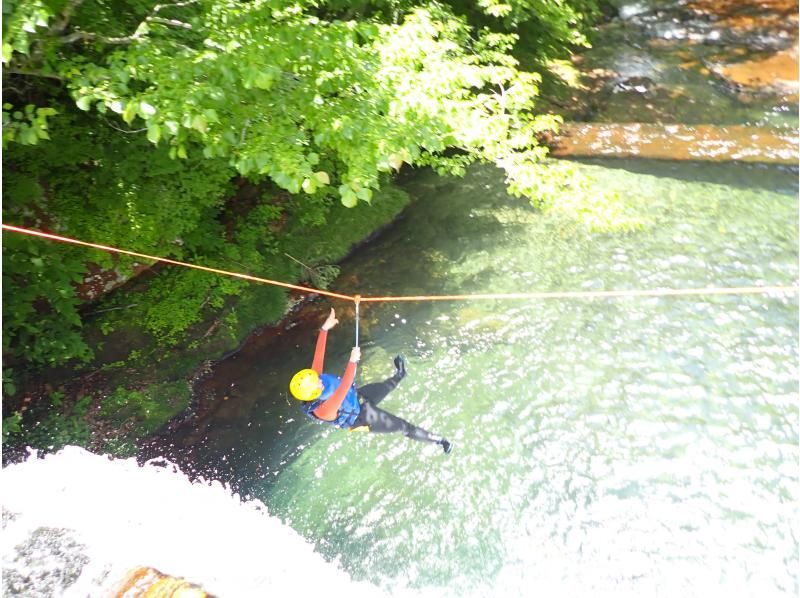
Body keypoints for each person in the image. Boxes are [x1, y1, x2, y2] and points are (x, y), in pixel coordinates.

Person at [289, 308, 453, 454]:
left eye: (316, 378)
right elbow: (343, 387)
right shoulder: (323, 411)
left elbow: (319, 356)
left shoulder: (313, 381)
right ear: (313, 393)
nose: (319, 380)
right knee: (403, 426)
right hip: (362, 418)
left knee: (386, 386)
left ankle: (401, 374)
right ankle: (440, 441)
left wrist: (324, 329)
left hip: (358, 398)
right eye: (317, 383)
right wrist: (353, 361)